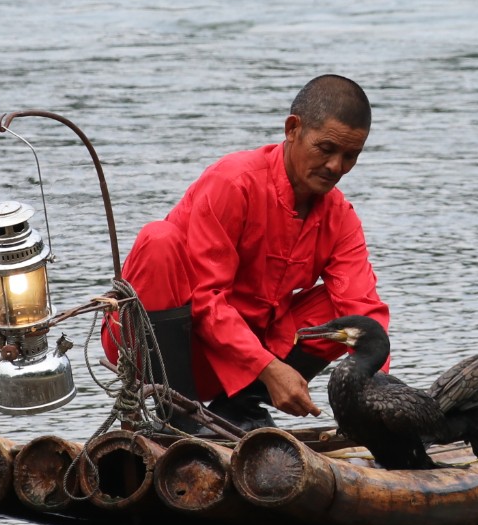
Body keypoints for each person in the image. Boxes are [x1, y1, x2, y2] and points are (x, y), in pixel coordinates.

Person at [104, 75, 390, 430]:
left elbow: (364, 308)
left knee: (352, 323)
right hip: (167, 349)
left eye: (351, 156)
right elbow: (206, 300)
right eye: (326, 148)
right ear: (292, 129)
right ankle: (177, 417)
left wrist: (385, 398)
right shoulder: (233, 182)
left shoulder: (340, 216)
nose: (336, 167)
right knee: (158, 239)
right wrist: (269, 369)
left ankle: (241, 407)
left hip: (240, 358)